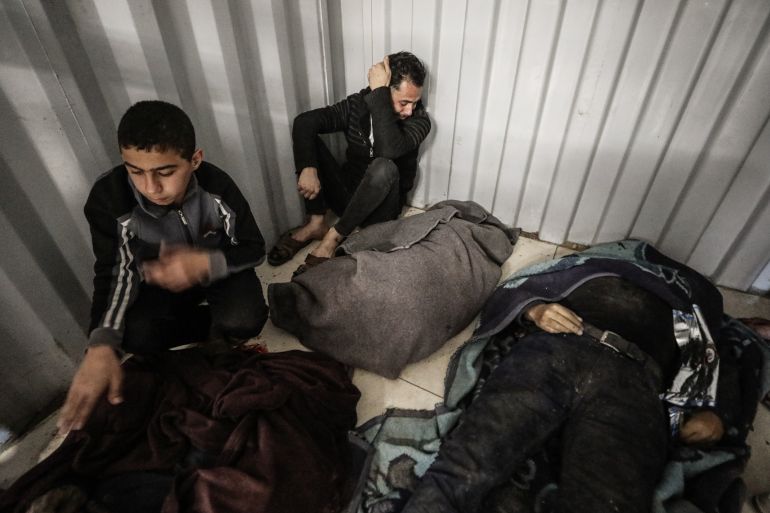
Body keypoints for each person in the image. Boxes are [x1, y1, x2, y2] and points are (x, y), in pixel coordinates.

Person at [400, 241, 749, 513]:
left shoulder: (687, 309)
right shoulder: (585, 274)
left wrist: (715, 412)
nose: (646, 272)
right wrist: (535, 310)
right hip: (554, 351)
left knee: (608, 504)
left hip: (635, 381)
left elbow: (716, 361)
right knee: (465, 467)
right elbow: (514, 294)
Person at [57, 100, 269, 433]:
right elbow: (115, 273)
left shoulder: (218, 186)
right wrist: (101, 343)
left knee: (248, 319)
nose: (150, 188)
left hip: (216, 273)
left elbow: (254, 249)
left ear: (195, 160)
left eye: (165, 172)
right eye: (135, 171)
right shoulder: (109, 199)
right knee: (136, 337)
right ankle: (209, 329)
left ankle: (222, 327)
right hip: (161, 286)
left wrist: (205, 263)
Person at [267, 51, 431, 272]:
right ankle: (316, 223)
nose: (409, 110)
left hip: (381, 211)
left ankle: (333, 238)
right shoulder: (357, 105)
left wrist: (381, 94)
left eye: (414, 102)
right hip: (346, 196)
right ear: (382, 89)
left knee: (384, 166)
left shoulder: (420, 121)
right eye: (404, 102)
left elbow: (388, 151)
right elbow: (304, 122)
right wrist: (308, 168)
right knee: (309, 137)